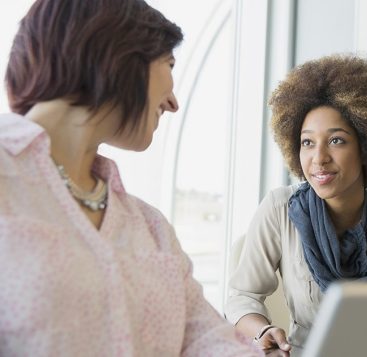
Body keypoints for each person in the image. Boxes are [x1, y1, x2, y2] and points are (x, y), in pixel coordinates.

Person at [0, 0, 261, 355]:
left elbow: (208, 341)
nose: (173, 102)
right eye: (169, 64)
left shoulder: (151, 228)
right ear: (117, 51)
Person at [226, 54, 367, 352]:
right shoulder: (280, 208)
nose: (318, 159)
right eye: (307, 142)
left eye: (336, 141)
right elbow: (242, 295)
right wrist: (262, 330)